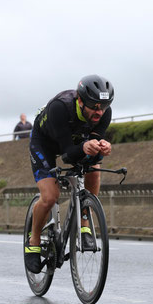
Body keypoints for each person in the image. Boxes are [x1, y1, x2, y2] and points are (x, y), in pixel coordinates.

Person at [25, 74, 114, 273]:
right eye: (94, 106)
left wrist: (101, 146)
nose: (100, 111)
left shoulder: (104, 113)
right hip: (46, 142)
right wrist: (84, 146)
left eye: (104, 106)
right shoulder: (60, 107)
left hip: (74, 141)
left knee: (94, 167)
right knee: (50, 197)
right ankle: (34, 240)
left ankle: (84, 224)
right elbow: (67, 154)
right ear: (80, 101)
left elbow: (93, 141)